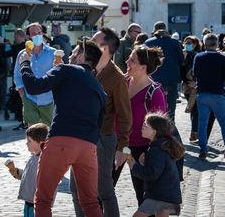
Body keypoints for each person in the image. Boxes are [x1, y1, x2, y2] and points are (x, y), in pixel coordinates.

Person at [20, 39, 106, 216]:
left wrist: (25, 64)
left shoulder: (66, 69)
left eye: (74, 52)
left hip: (62, 139)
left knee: (43, 199)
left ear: (81, 56)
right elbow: (100, 122)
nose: (70, 55)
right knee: (90, 202)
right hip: (88, 146)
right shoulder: (99, 87)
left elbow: (33, 86)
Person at [71, 28, 132, 217]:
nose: (89, 41)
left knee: (104, 190)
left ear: (104, 48)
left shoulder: (116, 77)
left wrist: (122, 146)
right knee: (76, 189)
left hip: (102, 139)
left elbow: (124, 115)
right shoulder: (83, 70)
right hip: (79, 137)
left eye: (94, 39)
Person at [114, 45, 167, 206]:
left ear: (143, 67)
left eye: (132, 60)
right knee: (103, 190)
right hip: (117, 143)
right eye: (129, 57)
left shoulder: (154, 93)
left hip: (141, 149)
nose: (127, 61)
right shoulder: (122, 82)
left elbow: (160, 128)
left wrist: (150, 152)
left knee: (143, 197)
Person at [127, 112, 185, 217]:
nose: (142, 126)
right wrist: (143, 163)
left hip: (160, 194)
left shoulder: (157, 150)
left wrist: (134, 165)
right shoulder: (160, 146)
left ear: (154, 132)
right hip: (167, 192)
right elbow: (157, 168)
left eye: (146, 125)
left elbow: (151, 174)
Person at [14, 22, 55, 127]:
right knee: (32, 132)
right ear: (28, 36)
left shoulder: (53, 53)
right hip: (29, 99)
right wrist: (23, 96)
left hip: (48, 99)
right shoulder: (22, 54)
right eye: (34, 33)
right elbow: (17, 75)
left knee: (49, 132)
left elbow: (58, 75)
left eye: (39, 32)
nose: (37, 35)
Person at [193, 33, 225, 159]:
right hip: (217, 93)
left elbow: (195, 73)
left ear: (204, 44)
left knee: (202, 123)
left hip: (202, 92)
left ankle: (203, 149)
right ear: (217, 44)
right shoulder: (222, 58)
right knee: (223, 122)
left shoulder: (199, 57)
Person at [6, 123, 48, 217]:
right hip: (28, 200)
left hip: (37, 202)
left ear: (40, 143)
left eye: (29, 141)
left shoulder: (44, 161)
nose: (26, 143)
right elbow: (27, 175)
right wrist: (16, 172)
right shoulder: (32, 158)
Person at [145, 21, 184, 122]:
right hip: (171, 78)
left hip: (154, 79)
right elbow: (181, 60)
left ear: (154, 30)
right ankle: (171, 131)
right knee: (171, 108)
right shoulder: (175, 42)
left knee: (155, 107)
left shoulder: (148, 42)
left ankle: (156, 130)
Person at [180, 36, 215, 143]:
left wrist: (195, 82)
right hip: (187, 87)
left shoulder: (199, 55)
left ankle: (195, 133)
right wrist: (186, 82)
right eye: (186, 42)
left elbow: (202, 71)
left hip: (196, 86)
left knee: (195, 109)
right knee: (193, 109)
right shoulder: (183, 54)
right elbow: (181, 70)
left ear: (196, 44)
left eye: (190, 43)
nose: (188, 44)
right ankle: (195, 133)